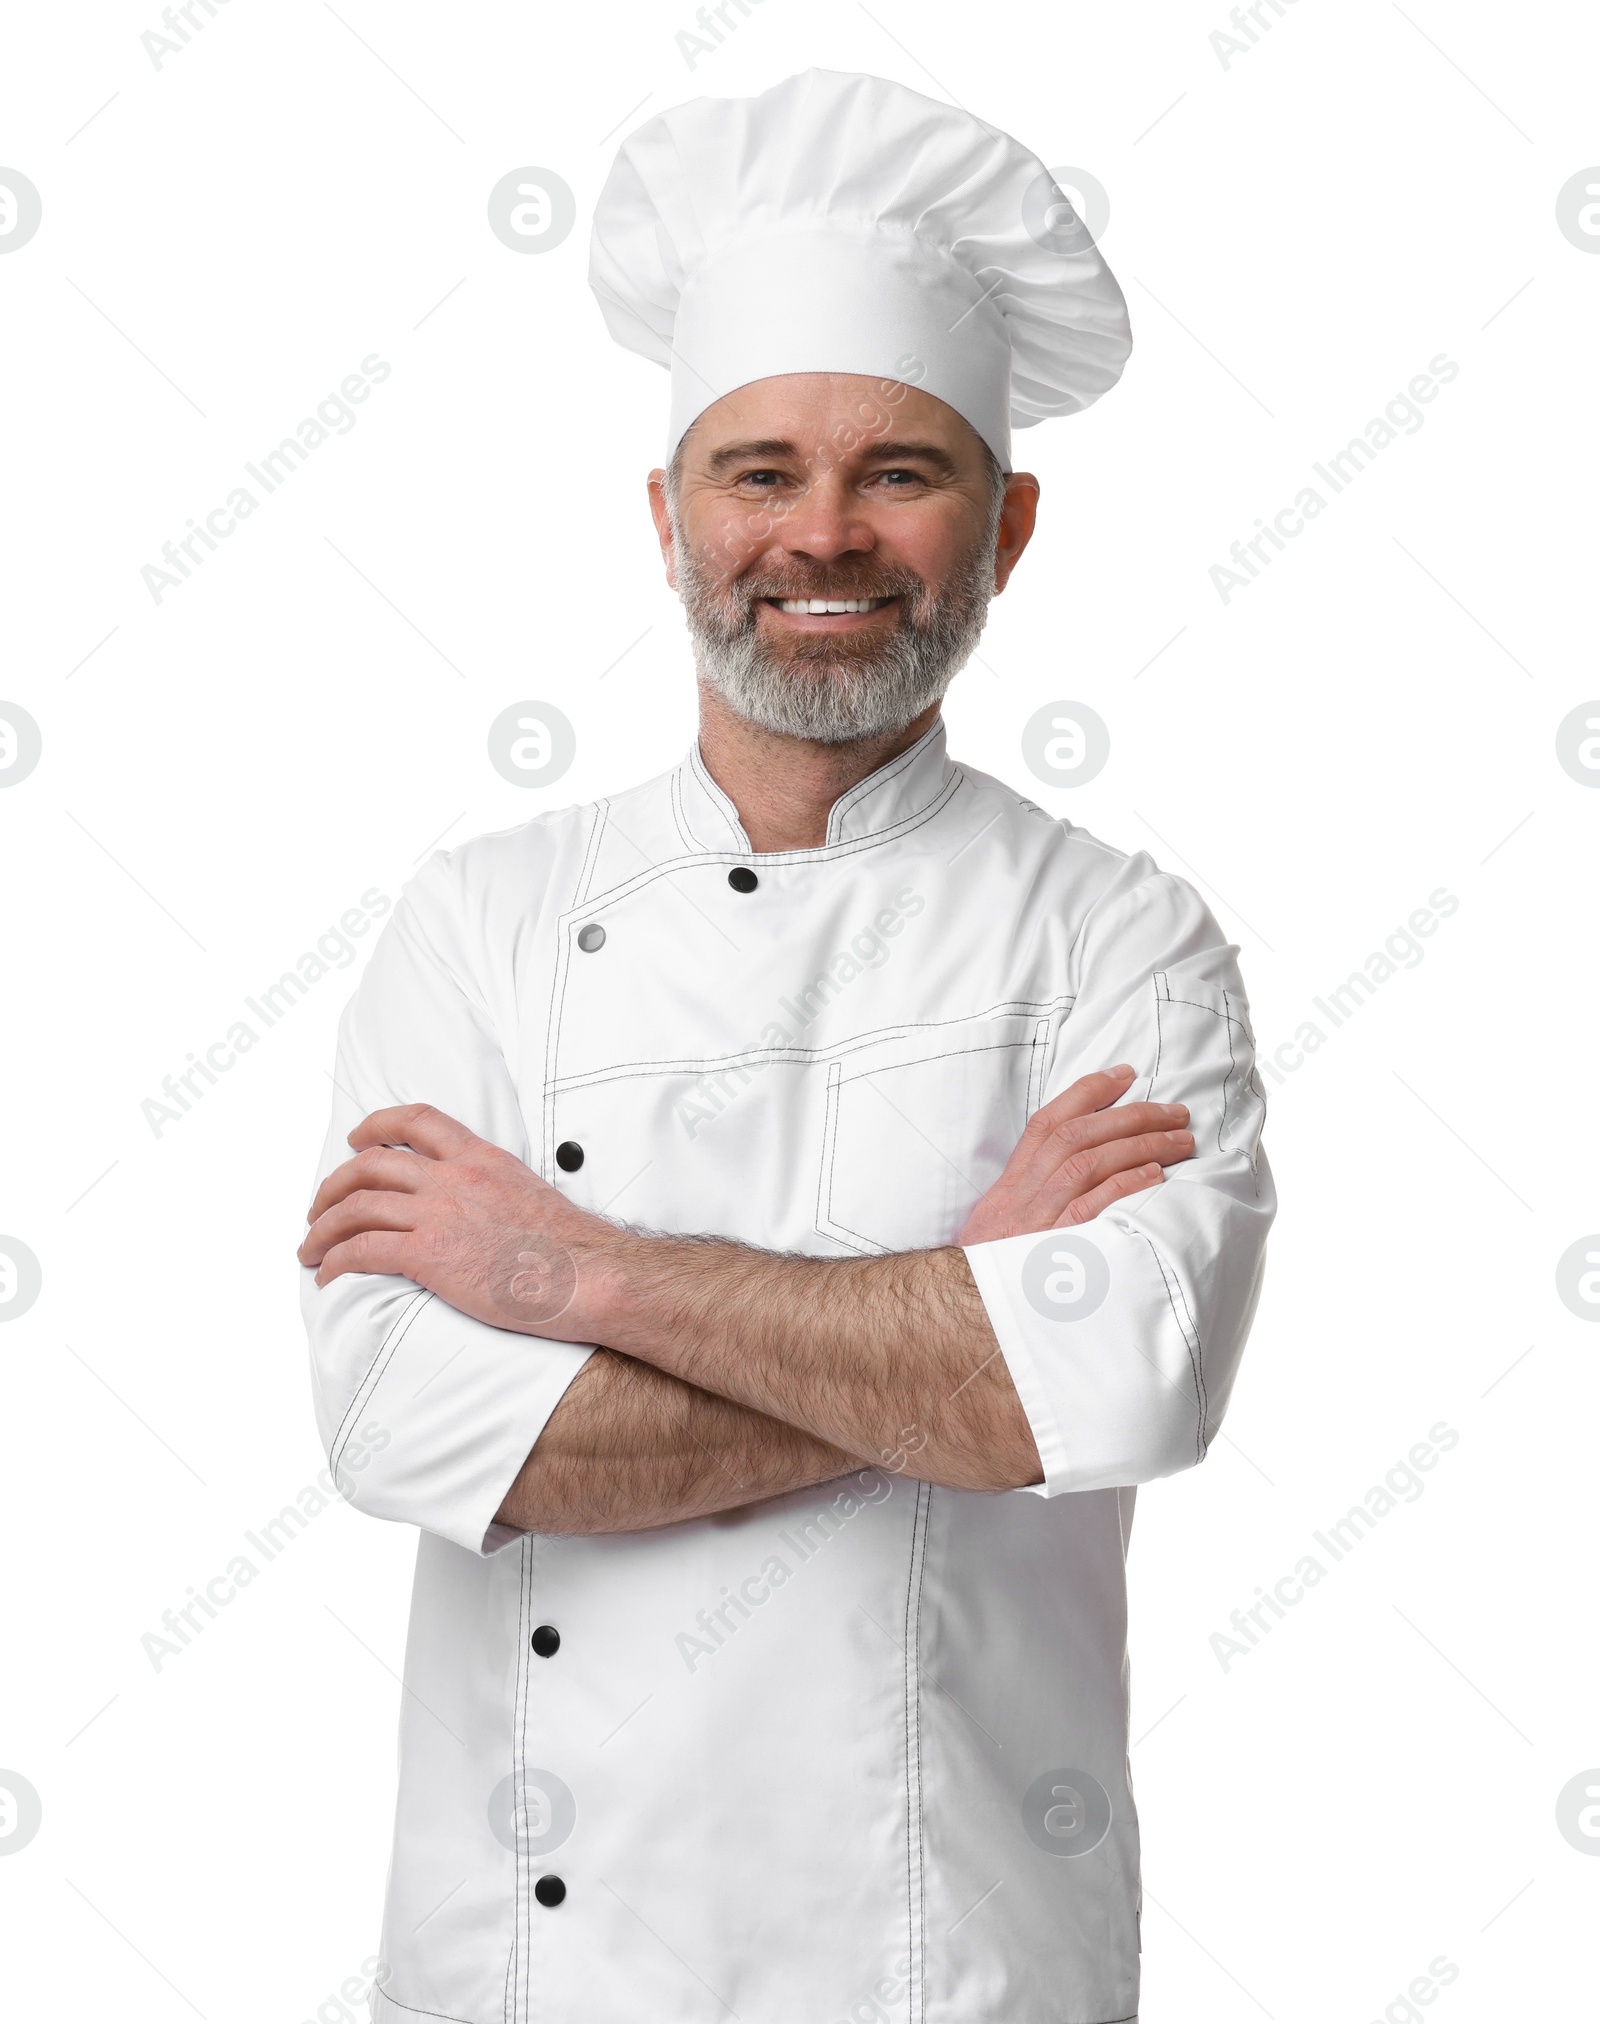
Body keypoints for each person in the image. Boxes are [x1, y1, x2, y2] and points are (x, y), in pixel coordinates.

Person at [298, 68, 1274, 2024]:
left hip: (948, 1965)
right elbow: (406, 1426)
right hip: (522, 1977)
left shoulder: (1117, 934)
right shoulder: (478, 923)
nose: (819, 535)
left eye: (895, 472)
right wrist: (954, 1318)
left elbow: (1121, 1384)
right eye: (758, 472)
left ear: (1004, 522)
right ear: (666, 516)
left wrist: (574, 1275)